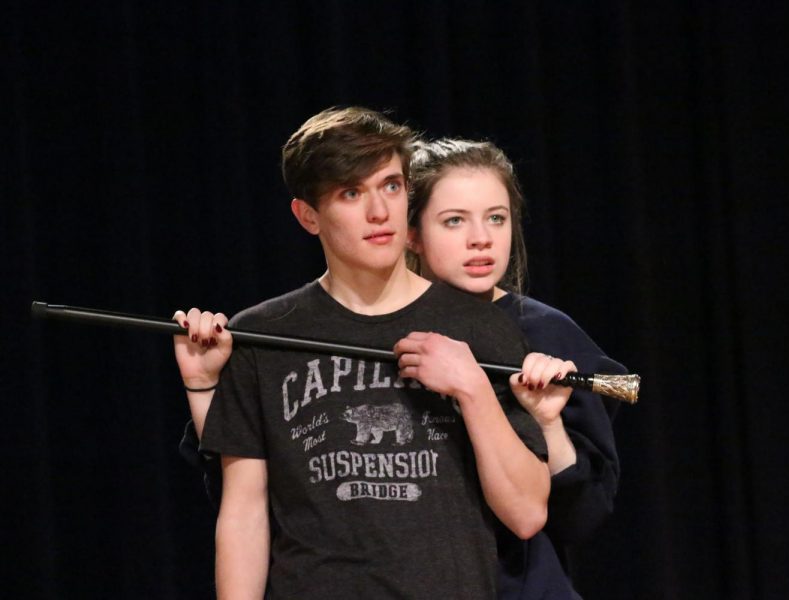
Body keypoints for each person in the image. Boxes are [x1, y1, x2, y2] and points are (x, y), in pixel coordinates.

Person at [173, 107, 551, 599]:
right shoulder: (262, 335)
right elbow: (244, 513)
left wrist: (472, 387)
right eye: (352, 193)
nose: (380, 212)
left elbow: (526, 514)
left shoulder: (479, 326)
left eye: (391, 186)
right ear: (307, 215)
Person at [406, 138, 628, 599]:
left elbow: (580, 519)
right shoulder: (373, 333)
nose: (481, 239)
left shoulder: (550, 335)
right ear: (412, 233)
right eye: (454, 221)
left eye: (496, 218)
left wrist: (549, 426)